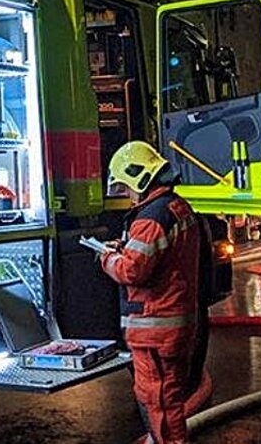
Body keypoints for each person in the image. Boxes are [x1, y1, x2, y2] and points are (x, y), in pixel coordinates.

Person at [99, 141, 206, 444]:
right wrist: (126, 249)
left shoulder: (150, 218)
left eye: (127, 187)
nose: (128, 195)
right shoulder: (177, 207)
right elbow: (163, 258)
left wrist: (107, 258)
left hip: (154, 331)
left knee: (159, 400)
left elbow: (132, 271)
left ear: (140, 178)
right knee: (170, 394)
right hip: (176, 325)